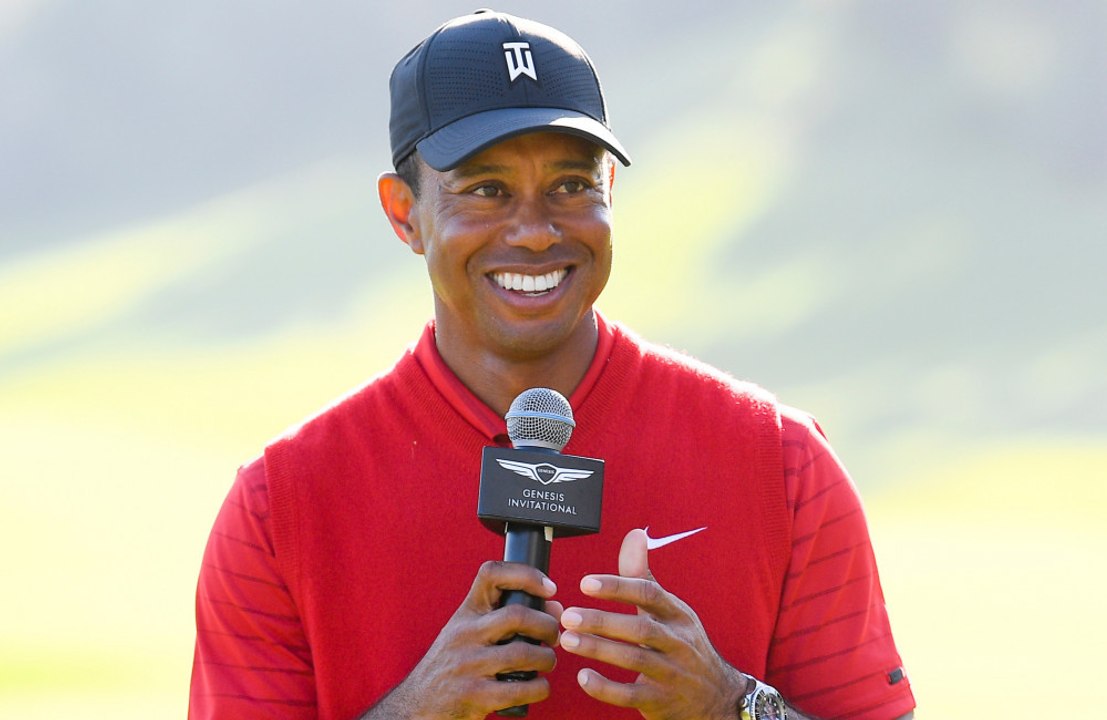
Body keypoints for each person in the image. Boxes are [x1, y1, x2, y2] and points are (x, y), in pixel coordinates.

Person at [189, 9, 916, 720]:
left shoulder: (781, 463)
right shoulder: (280, 505)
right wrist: (417, 711)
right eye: (486, 189)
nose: (536, 232)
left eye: (571, 185)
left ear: (610, 192)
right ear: (403, 212)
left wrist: (731, 705)